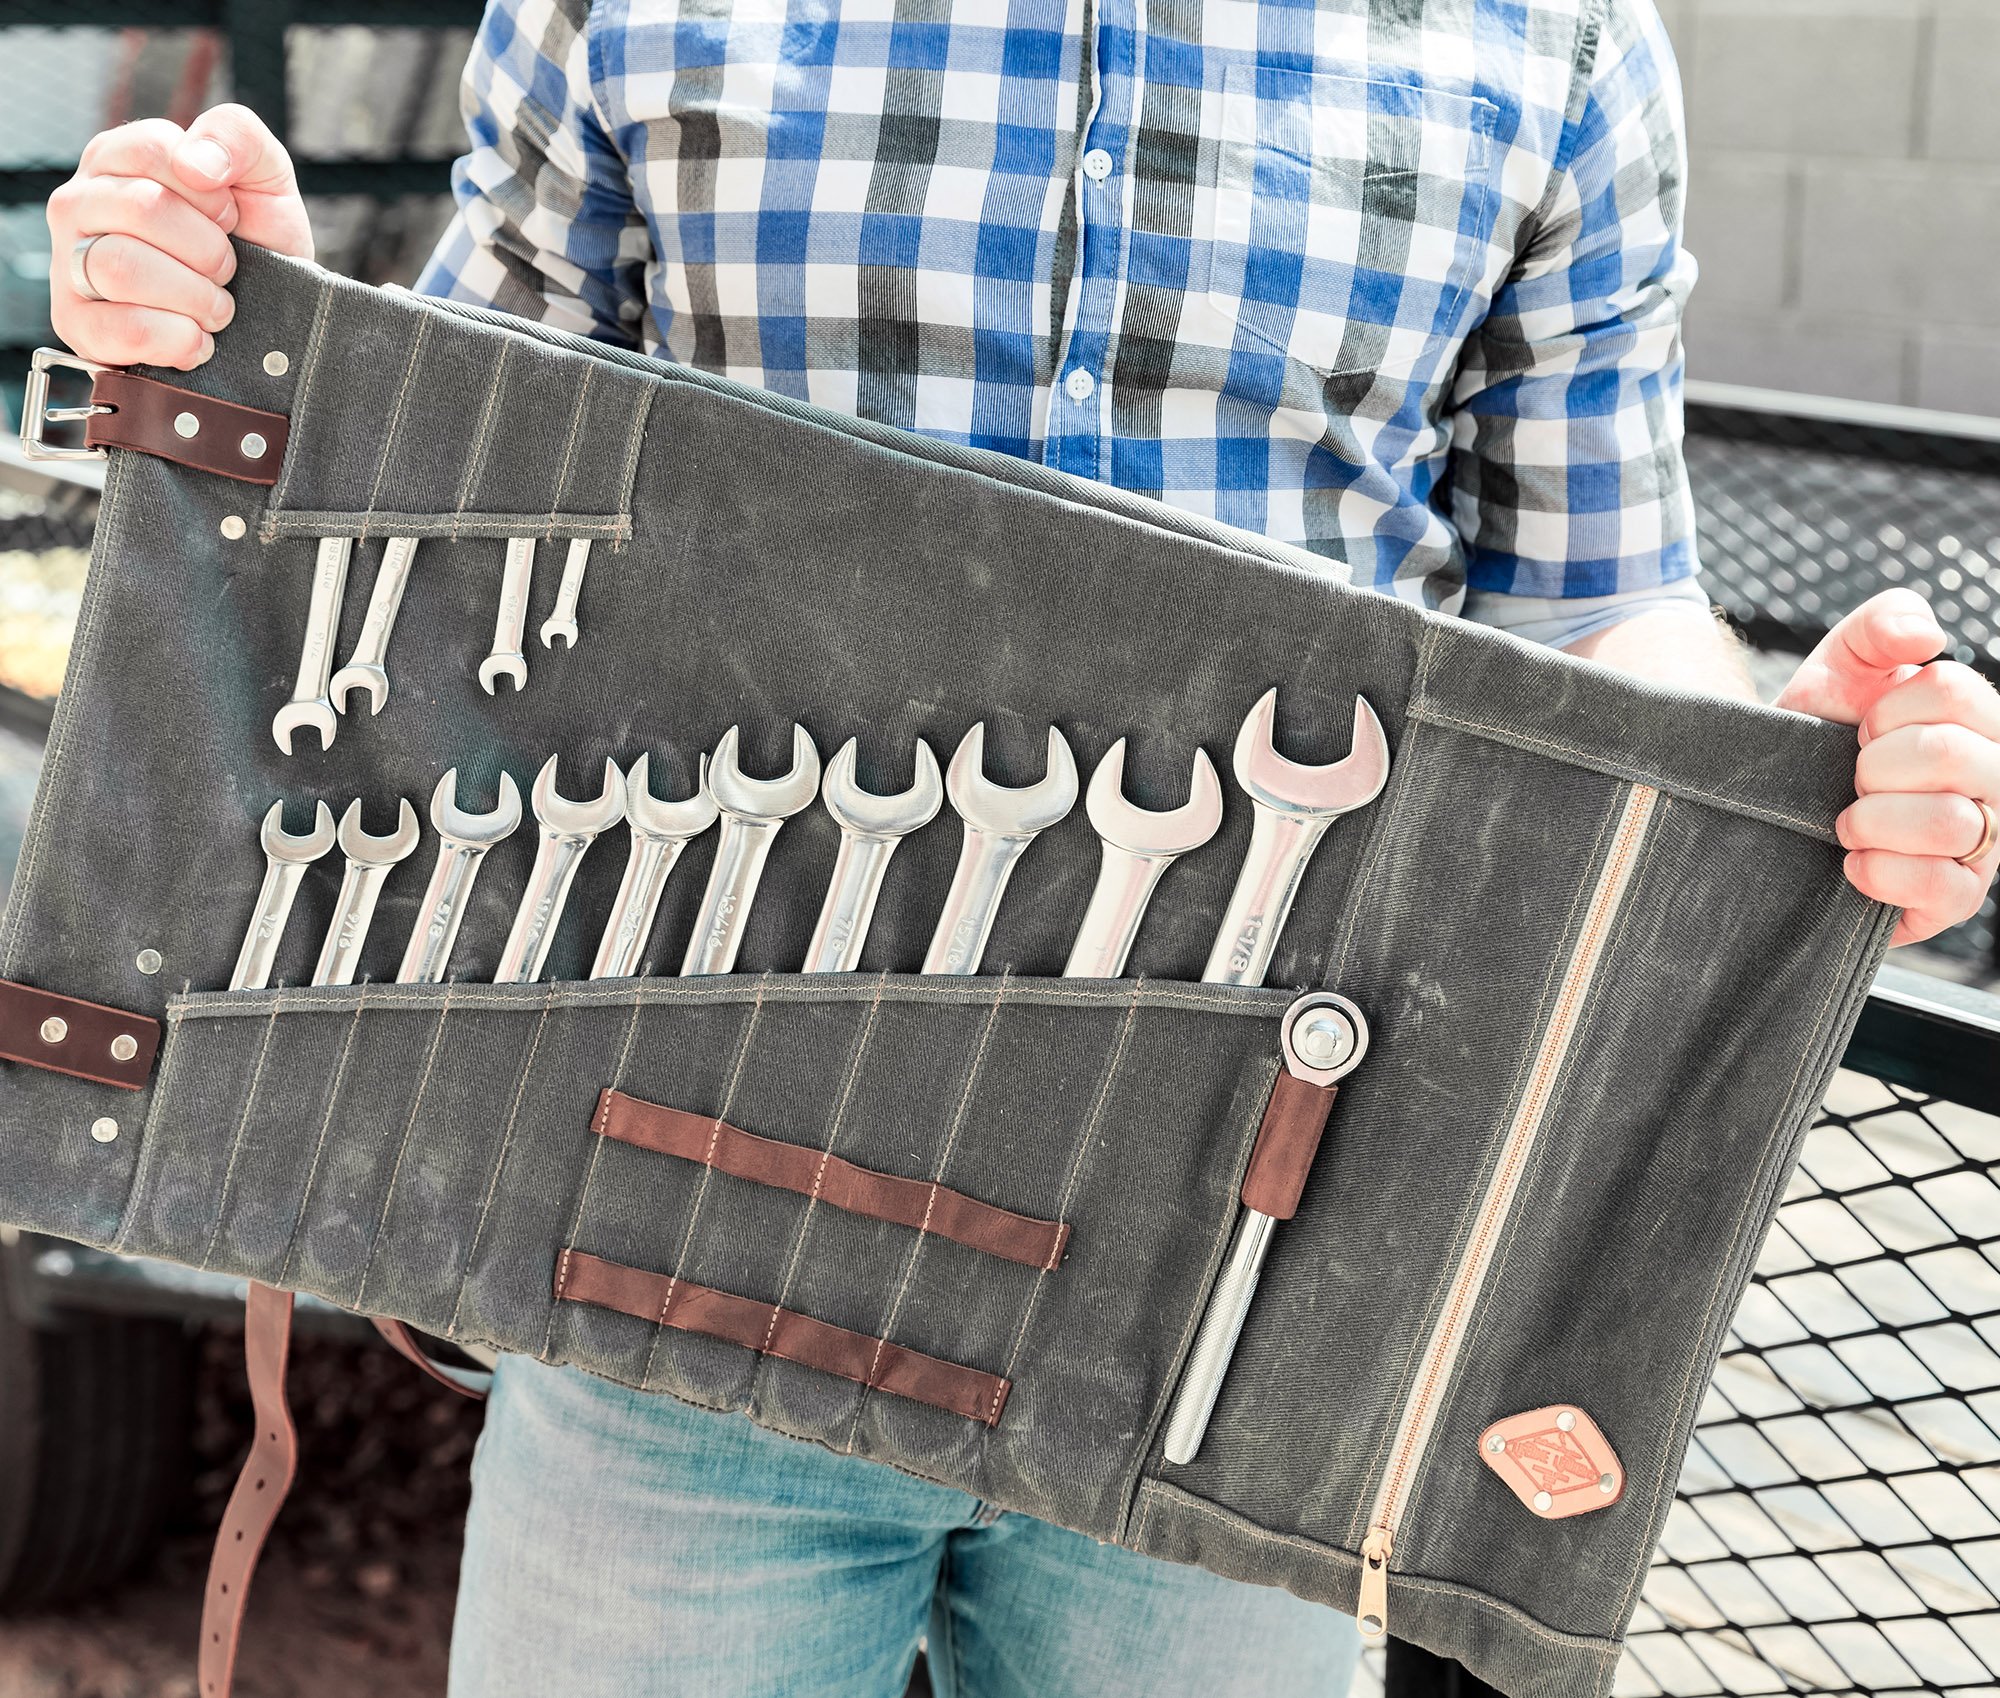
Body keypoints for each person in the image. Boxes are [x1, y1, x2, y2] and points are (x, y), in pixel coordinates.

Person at [45, 2, 2000, 1692]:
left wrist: (1778, 759)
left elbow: (1597, 601)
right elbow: (471, 496)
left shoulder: (1544, 44)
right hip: (662, 1240)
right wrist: (269, 334)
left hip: (1247, 1310)